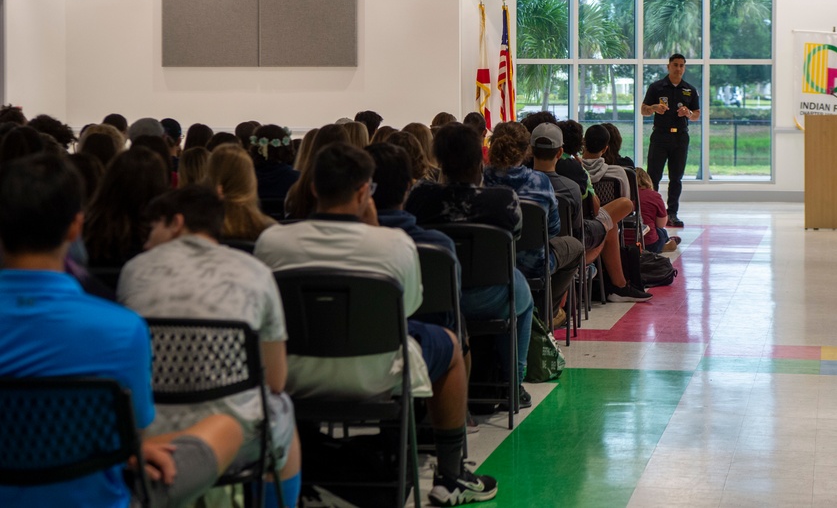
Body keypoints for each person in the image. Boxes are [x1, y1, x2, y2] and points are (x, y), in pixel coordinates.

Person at [254, 143, 498, 506]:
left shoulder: (271, 241)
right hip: (379, 371)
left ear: (314, 188)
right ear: (363, 191)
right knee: (448, 344)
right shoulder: (395, 244)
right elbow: (408, 309)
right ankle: (450, 474)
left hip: (289, 373)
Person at [0, 154, 243, 508]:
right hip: (100, 497)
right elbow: (136, 431)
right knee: (227, 427)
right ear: (74, 227)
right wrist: (133, 449)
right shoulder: (121, 328)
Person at [118, 185, 301, 508]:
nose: (146, 242)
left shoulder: (134, 270)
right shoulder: (255, 272)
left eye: (151, 230)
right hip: (234, 434)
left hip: (149, 433)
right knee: (282, 410)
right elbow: (275, 381)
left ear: (176, 223)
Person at [405, 122, 535, 404]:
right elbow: (514, 237)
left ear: (438, 160)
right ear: (480, 160)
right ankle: (514, 381)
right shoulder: (503, 200)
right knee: (521, 290)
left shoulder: (419, 198)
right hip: (490, 296)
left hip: (433, 297)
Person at [531, 123, 648, 303]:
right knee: (611, 222)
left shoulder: (519, 183)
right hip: (572, 240)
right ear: (559, 152)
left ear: (531, 150)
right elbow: (590, 212)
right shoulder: (572, 180)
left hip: (530, 242)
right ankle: (618, 285)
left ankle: (615, 284)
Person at [483, 121, 583, 317]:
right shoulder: (539, 181)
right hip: (533, 263)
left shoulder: (481, 180)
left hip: (489, 264)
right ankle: (547, 312)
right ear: (526, 150)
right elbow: (553, 228)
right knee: (575, 247)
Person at [640, 53, 701, 227]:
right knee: (653, 176)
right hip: (660, 136)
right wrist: (654, 108)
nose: (678, 68)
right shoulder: (657, 87)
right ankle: (650, 213)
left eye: (682, 65)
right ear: (668, 66)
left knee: (676, 178)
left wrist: (688, 113)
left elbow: (697, 114)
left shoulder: (689, 89)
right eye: (675, 65)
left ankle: (672, 213)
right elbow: (643, 110)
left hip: (680, 137)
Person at [635, 167, 680, 253]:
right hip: (648, 243)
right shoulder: (654, 196)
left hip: (623, 242)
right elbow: (661, 224)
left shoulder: (623, 195)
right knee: (661, 232)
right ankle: (664, 245)